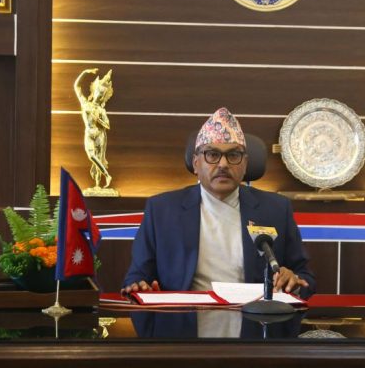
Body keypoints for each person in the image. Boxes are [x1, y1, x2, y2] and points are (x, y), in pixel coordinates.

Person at [122, 107, 315, 299]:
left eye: (233, 155)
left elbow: (305, 278)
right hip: (185, 316)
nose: (223, 164)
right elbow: (137, 276)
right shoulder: (162, 210)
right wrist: (140, 287)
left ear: (245, 164)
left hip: (255, 316)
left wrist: (293, 281)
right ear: (196, 163)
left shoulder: (276, 209)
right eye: (212, 155)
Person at [74, 68, 115, 193]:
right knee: (91, 155)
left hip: (99, 134)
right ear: (94, 91)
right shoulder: (85, 103)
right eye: (98, 92)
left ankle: (97, 185)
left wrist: (99, 120)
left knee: (98, 158)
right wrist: (84, 72)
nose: (99, 95)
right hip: (89, 133)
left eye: (102, 94)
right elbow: (76, 86)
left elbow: (108, 125)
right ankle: (107, 175)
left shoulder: (101, 110)